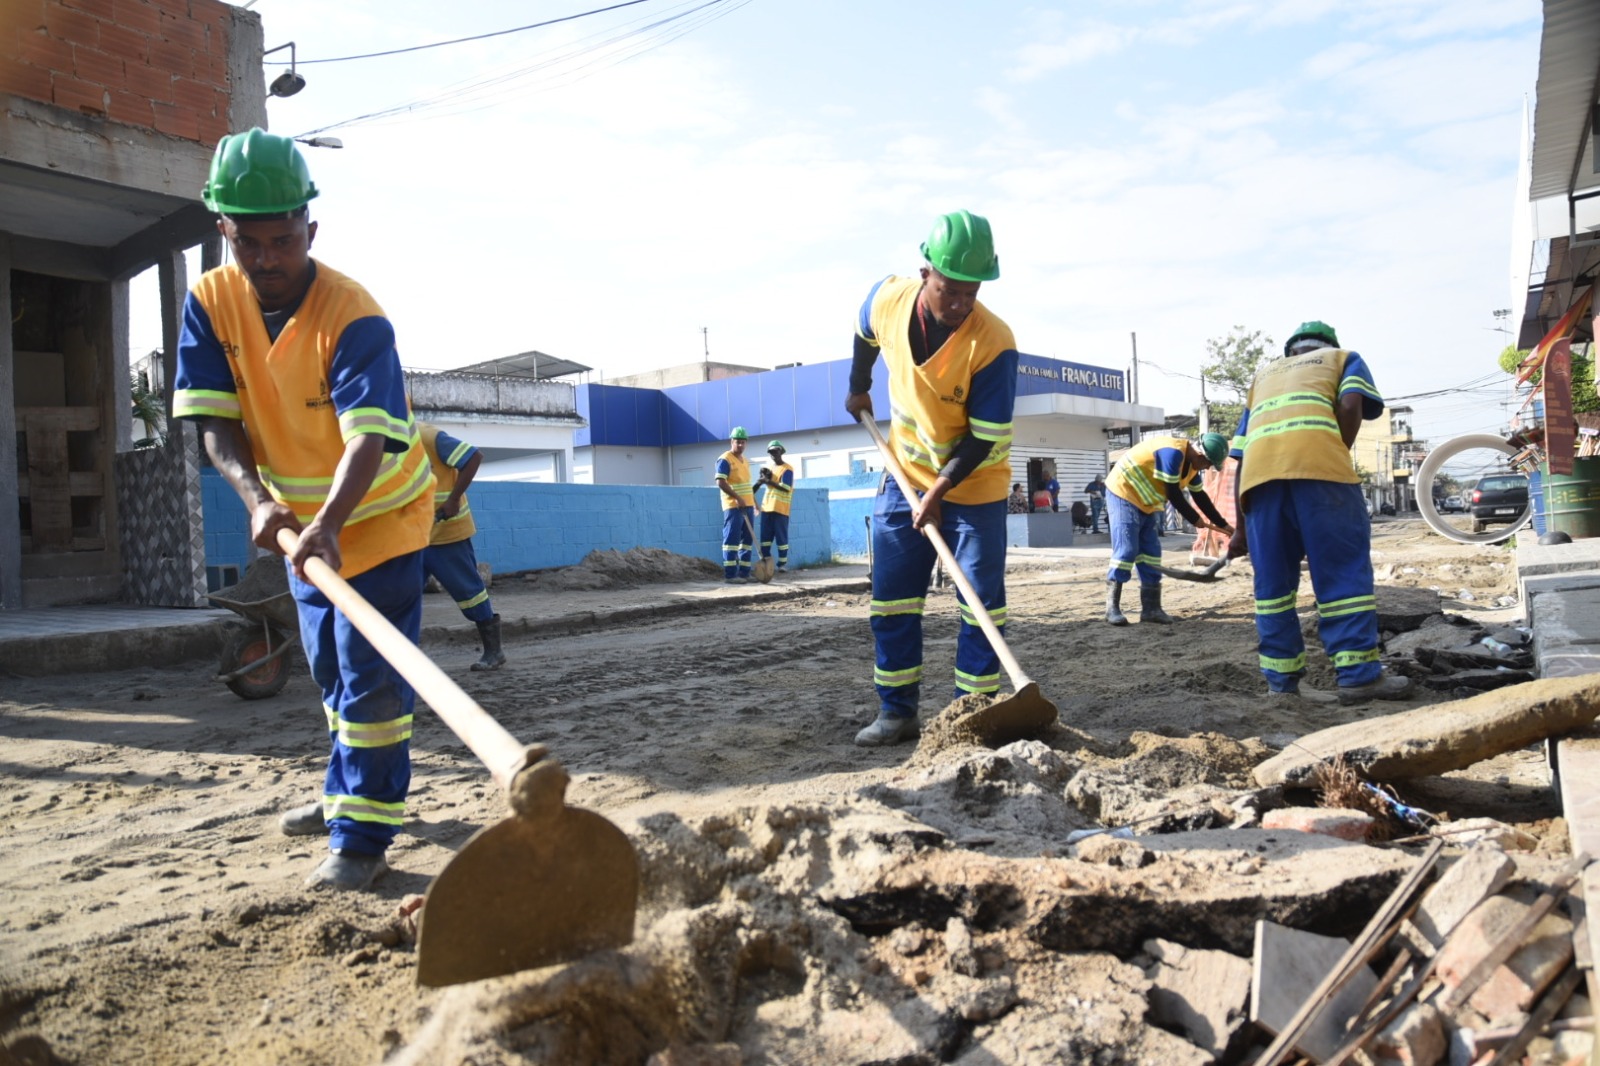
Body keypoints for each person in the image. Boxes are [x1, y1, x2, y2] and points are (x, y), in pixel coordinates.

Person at [173, 128, 435, 892]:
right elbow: (215, 422)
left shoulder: (353, 317)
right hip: (298, 528)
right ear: (223, 230)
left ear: (309, 230)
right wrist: (260, 502)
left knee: (371, 684)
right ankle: (345, 793)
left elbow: (368, 442)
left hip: (379, 521)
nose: (266, 259)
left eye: (282, 240)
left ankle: (363, 836)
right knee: (328, 671)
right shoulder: (210, 303)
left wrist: (329, 524)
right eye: (247, 241)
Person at [845, 209, 1019, 747]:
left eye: (972, 292)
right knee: (893, 601)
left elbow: (982, 437)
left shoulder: (994, 342)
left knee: (979, 602)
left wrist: (939, 494)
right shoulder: (888, 299)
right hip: (904, 474)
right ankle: (897, 713)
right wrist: (858, 385)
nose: (961, 304)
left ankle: (970, 717)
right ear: (926, 274)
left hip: (975, 484)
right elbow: (862, 332)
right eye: (951, 291)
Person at [1227, 320, 1413, 705]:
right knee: (1342, 576)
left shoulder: (1262, 378)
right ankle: (1358, 677)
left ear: (1291, 351)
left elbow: (1240, 456)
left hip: (1259, 486)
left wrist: (1240, 529)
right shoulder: (1344, 358)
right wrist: (1335, 449)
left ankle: (1281, 685)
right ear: (1326, 345)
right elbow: (1350, 405)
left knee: (1273, 590)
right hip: (1322, 477)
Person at [1103, 433, 1233, 626]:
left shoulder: (1191, 467)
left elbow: (1201, 498)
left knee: (1151, 555)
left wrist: (1224, 526)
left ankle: (1151, 609)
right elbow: (1174, 494)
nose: (1207, 468)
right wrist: (1195, 519)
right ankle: (1112, 608)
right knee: (1127, 550)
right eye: (1208, 463)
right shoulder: (1172, 453)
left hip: (1146, 503)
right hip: (1124, 493)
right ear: (1200, 455)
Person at [418, 423, 505, 671]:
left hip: (447, 533)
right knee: (401, 597)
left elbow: (473, 456)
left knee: (469, 593)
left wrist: (453, 498)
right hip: (411, 536)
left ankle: (493, 651)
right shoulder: (381, 444)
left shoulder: (429, 438)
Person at [714, 427, 754, 582]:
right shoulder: (725, 459)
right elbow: (720, 482)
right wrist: (737, 498)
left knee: (747, 541)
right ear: (732, 441)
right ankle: (730, 575)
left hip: (748, 505)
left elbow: (747, 485)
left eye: (743, 442)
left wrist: (754, 503)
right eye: (738, 442)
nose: (741, 445)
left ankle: (745, 573)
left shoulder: (745, 461)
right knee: (731, 540)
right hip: (733, 506)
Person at [756, 440, 796, 572]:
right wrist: (761, 481)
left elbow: (785, 487)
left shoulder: (787, 469)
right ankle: (767, 563)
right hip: (767, 508)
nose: (773, 454)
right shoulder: (771, 469)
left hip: (780, 509)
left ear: (781, 452)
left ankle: (782, 564)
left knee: (781, 538)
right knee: (765, 539)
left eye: (775, 451)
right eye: (771, 452)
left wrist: (768, 481)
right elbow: (757, 487)